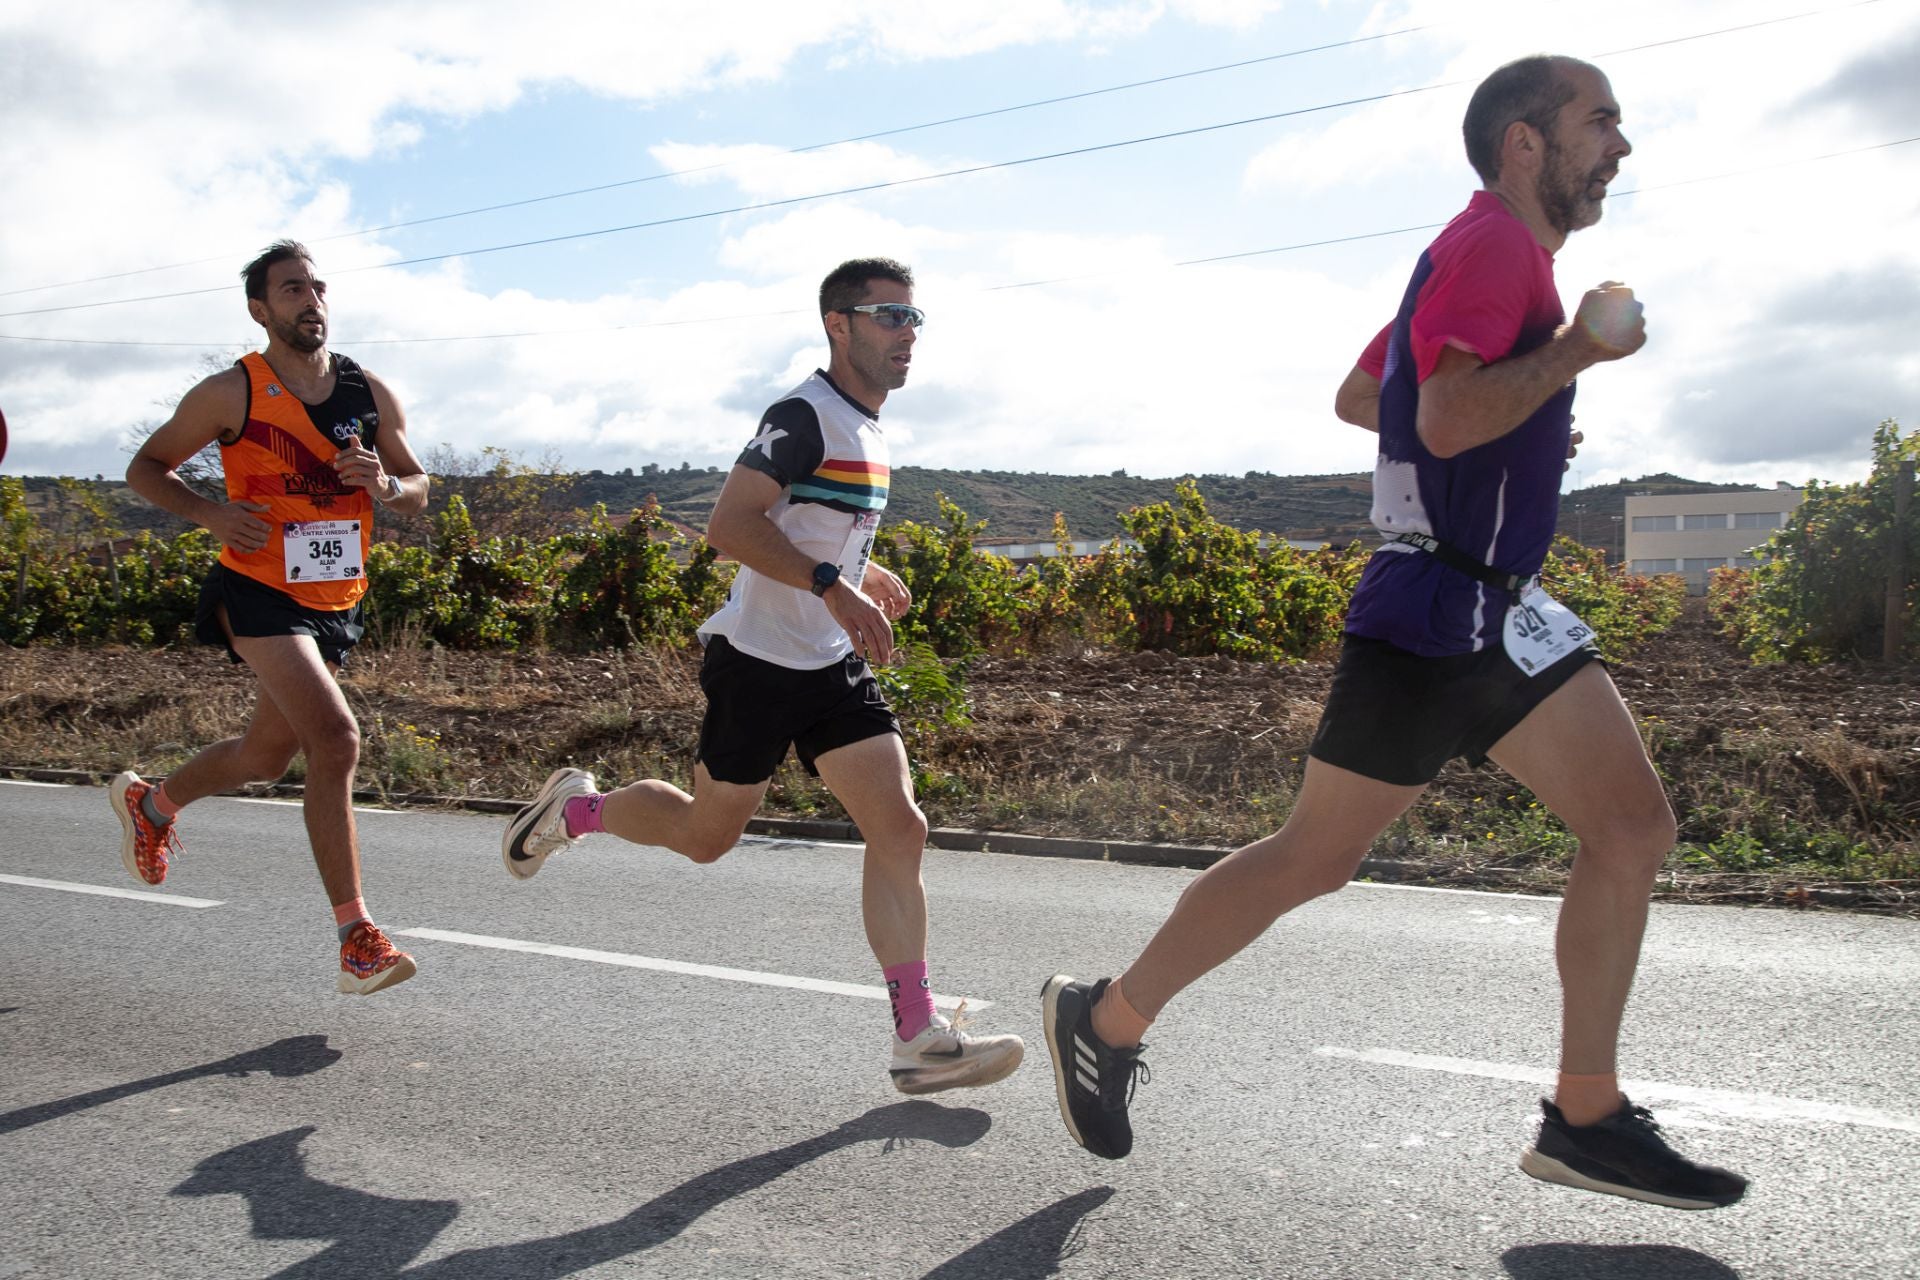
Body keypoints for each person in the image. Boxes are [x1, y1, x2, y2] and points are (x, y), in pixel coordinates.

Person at [1041, 56, 1749, 1211]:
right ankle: (1105, 1016)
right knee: (1313, 857)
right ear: (1525, 144)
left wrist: (1517, 411)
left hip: (1496, 606)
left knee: (1632, 823)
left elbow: (1372, 394)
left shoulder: (1481, 253)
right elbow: (1441, 408)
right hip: (1431, 613)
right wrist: (1566, 358)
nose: (1620, 145)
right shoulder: (1496, 248)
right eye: (1600, 121)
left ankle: (1586, 1114)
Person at [501, 258, 1024, 1094]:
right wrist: (830, 583)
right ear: (838, 324)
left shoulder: (870, 427)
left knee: (901, 828)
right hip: (757, 662)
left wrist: (864, 567)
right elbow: (729, 524)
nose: (906, 333)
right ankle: (576, 809)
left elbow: (815, 524)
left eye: (914, 317)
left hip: (828, 665)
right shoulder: (802, 414)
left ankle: (916, 1035)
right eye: (888, 316)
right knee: (708, 838)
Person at [116, 240, 429, 996]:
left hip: (336, 600)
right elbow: (144, 468)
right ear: (261, 310)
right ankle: (358, 937)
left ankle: (150, 804)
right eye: (291, 289)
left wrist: (387, 484)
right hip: (256, 590)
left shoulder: (367, 390)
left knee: (265, 756)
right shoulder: (232, 392)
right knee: (337, 737)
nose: (310, 299)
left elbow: (419, 483)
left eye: (317, 286)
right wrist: (211, 515)